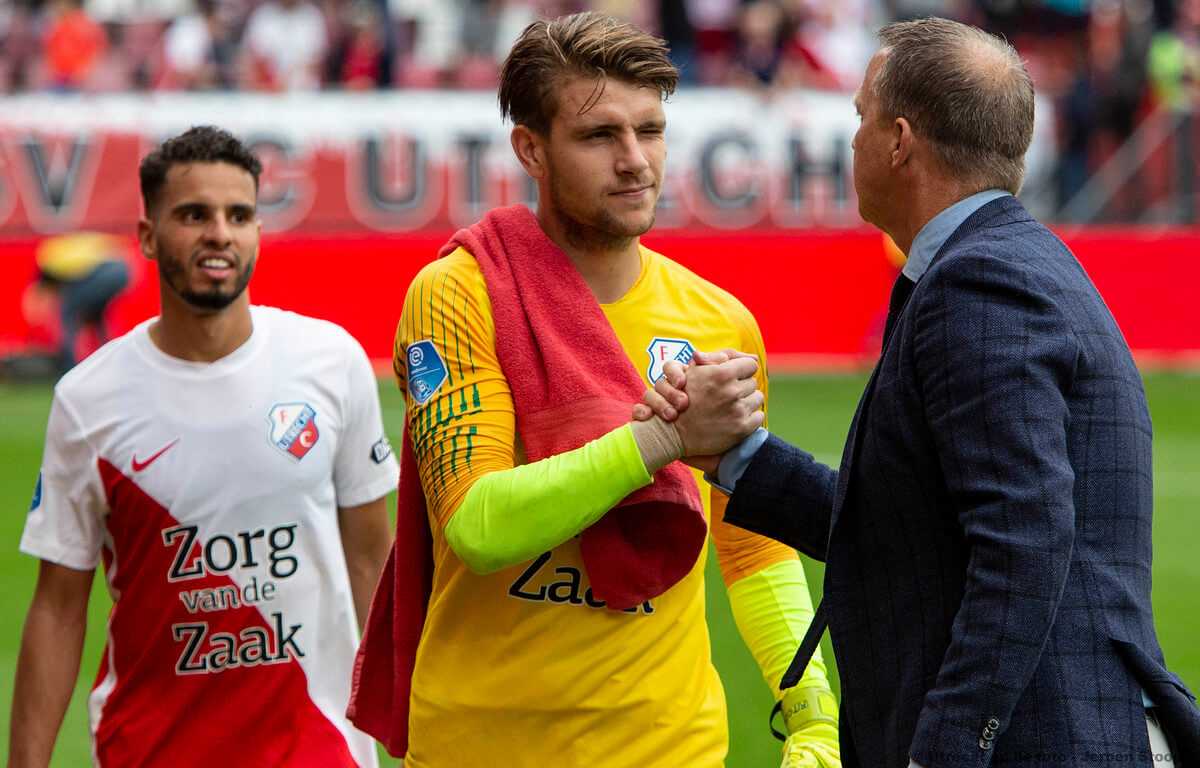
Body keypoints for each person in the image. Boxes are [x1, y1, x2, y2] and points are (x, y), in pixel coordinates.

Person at [642, 17, 1200, 768]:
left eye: (860, 118)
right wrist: (739, 457)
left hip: (1041, 745)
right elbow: (912, 528)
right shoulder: (1007, 265)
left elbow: (1023, 543)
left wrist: (944, 751)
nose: (851, 141)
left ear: (900, 140)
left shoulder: (981, 283)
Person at [348, 12, 840, 768]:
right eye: (599, 135)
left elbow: (752, 550)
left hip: (668, 748)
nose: (635, 160)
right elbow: (479, 527)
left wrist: (811, 714)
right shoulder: (459, 295)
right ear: (530, 149)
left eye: (650, 130)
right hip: (480, 747)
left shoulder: (720, 322)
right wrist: (664, 437)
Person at [9, 126, 399, 768]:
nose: (220, 232)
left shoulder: (331, 362)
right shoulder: (88, 399)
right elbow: (56, 607)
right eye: (194, 214)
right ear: (148, 236)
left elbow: (371, 559)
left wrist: (408, 720)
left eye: (239, 215)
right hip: (152, 748)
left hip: (317, 747)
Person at [26, 232, 131, 374]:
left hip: (104, 271)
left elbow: (47, 291)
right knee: (96, 317)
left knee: (66, 316)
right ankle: (113, 364)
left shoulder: (47, 261)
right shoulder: (59, 251)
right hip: (122, 268)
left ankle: (70, 369)